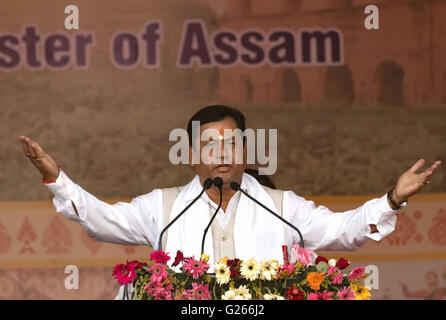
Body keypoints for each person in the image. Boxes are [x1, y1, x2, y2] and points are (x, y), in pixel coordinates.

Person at [20, 105, 442, 265]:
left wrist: (391, 199)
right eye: (208, 144)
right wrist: (57, 179)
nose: (221, 154)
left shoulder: (282, 206)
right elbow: (100, 220)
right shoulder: (162, 208)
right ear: (189, 154)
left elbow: (342, 231)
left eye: (231, 143)